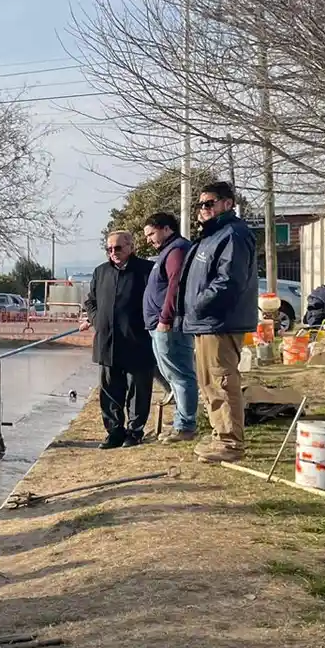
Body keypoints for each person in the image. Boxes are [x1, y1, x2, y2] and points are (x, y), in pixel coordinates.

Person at [175, 181, 259, 463]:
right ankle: (219, 434)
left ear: (227, 203)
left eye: (209, 203)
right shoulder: (212, 236)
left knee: (222, 381)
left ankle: (231, 444)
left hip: (220, 321)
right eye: (200, 204)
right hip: (205, 322)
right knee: (209, 382)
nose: (203, 209)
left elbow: (229, 281)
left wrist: (197, 304)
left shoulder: (233, 234)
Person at [81, 231, 156, 449]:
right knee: (110, 390)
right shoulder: (100, 272)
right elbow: (91, 301)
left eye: (118, 248)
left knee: (137, 390)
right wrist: (97, 320)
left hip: (137, 341)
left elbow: (156, 301)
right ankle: (114, 431)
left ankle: (135, 431)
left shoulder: (146, 271)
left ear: (131, 247)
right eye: (109, 249)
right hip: (107, 342)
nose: (113, 252)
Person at [142, 212, 199, 443]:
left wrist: (166, 318)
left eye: (151, 233)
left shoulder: (176, 251)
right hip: (159, 325)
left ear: (166, 229)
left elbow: (176, 286)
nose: (148, 239)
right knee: (171, 374)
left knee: (180, 374)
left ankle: (185, 426)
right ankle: (180, 420)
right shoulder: (168, 251)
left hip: (169, 326)